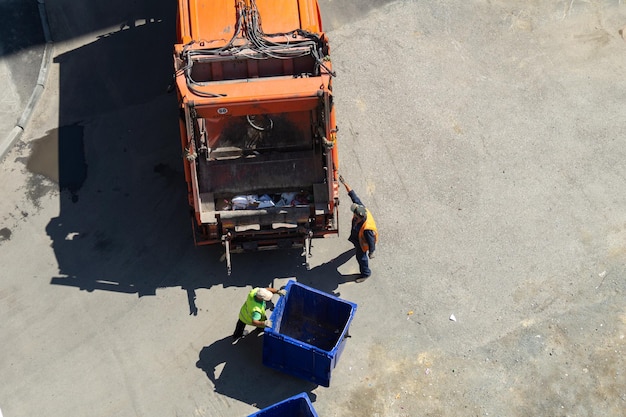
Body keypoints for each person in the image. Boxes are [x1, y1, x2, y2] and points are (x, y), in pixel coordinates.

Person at [339, 175, 378, 282]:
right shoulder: (361, 207)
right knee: (357, 250)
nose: (353, 215)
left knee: (361, 258)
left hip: (362, 244)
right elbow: (353, 196)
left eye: (354, 215)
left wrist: (371, 252)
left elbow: (371, 241)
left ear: (359, 217)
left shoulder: (367, 229)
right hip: (357, 238)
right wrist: (345, 183)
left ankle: (366, 273)